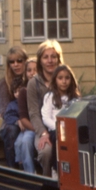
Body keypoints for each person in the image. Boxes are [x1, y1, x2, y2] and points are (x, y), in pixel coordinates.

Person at [27, 40, 63, 177]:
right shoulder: (33, 83)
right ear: (40, 60)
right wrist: (43, 133)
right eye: (45, 57)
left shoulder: (65, 78)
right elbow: (34, 114)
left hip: (64, 128)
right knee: (46, 151)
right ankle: (47, 182)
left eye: (53, 57)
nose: (50, 61)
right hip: (44, 129)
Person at [0, 47, 28, 168]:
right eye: (12, 62)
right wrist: (18, 120)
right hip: (11, 120)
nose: (16, 64)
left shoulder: (30, 79)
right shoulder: (3, 83)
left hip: (30, 118)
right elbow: (4, 110)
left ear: (25, 61)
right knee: (11, 130)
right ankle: (12, 168)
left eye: (19, 60)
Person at [15, 59, 38, 173]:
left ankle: (30, 171)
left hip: (40, 126)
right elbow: (23, 116)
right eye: (29, 70)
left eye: (36, 70)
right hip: (30, 126)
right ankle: (25, 170)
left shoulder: (44, 89)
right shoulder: (23, 92)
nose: (32, 73)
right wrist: (33, 128)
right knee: (19, 142)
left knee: (25, 141)